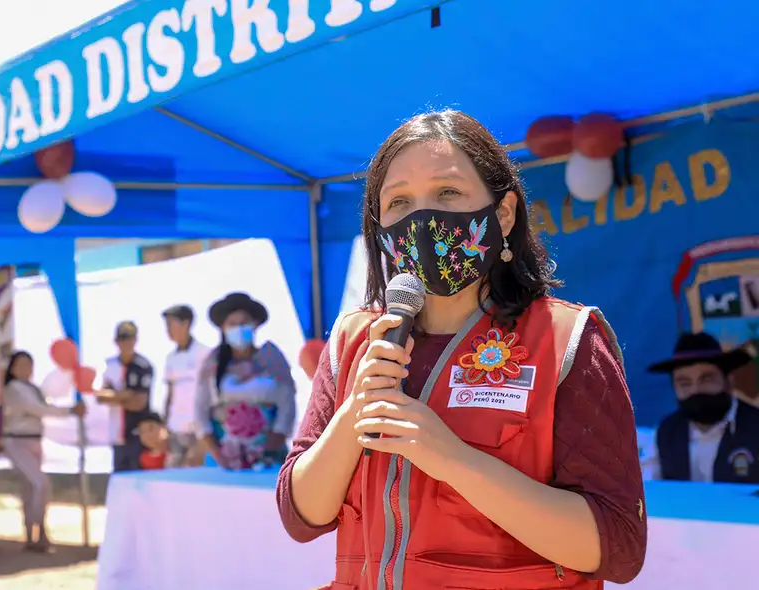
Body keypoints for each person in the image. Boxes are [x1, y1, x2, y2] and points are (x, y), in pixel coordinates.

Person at [276, 111, 647, 589]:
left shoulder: (566, 339)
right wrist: (356, 409)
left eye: (448, 192)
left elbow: (618, 549)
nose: (422, 218)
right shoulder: (352, 341)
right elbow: (300, 516)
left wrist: (451, 458)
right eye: (399, 202)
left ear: (505, 212)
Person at [196, 292, 296, 471]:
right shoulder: (213, 363)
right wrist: (217, 451)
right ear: (223, 329)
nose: (239, 329)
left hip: (268, 458)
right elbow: (200, 408)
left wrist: (270, 446)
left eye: (244, 323)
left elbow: (287, 404)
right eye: (232, 324)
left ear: (255, 325)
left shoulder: (271, 358)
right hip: (224, 460)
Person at [645, 332, 758, 482]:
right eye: (685, 383)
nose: (695, 390)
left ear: (728, 382)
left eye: (707, 379)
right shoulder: (665, 433)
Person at [2, 351, 86, 551]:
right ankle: (41, 532)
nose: (26, 369)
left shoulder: (34, 388)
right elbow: (38, 409)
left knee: (30, 489)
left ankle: (31, 535)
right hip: (17, 441)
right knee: (41, 484)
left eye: (29, 364)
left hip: (34, 441)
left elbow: (45, 406)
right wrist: (70, 411)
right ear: (12, 369)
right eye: (21, 365)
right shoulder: (14, 388)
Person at [96, 321, 154, 472]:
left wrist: (114, 397)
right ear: (116, 341)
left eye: (130, 338)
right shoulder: (110, 365)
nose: (126, 343)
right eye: (122, 338)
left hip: (138, 435)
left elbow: (139, 403)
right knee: (119, 479)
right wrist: (125, 395)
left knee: (139, 480)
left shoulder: (143, 366)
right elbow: (100, 396)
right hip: (117, 434)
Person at [161, 304, 210, 467]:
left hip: (198, 429)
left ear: (186, 323)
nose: (168, 330)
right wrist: (165, 425)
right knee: (173, 476)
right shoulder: (170, 358)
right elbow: (169, 394)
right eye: (166, 325)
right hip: (175, 429)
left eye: (171, 324)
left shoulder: (205, 354)